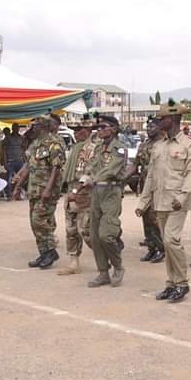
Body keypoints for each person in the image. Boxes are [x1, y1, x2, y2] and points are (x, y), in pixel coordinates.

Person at [135, 99, 191, 302]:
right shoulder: (158, 146)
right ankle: (171, 283)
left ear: (172, 119)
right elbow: (151, 175)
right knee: (166, 242)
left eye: (162, 118)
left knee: (172, 240)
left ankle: (182, 283)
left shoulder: (189, 145)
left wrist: (182, 196)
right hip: (160, 201)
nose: (159, 120)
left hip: (177, 201)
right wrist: (143, 202)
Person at [12, 115, 65, 269]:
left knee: (39, 220)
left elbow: (57, 168)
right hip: (35, 189)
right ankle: (44, 252)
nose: (32, 129)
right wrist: (18, 187)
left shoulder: (54, 144)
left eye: (35, 126)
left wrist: (48, 189)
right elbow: (28, 167)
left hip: (47, 190)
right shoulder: (36, 144)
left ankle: (50, 251)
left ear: (43, 127)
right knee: (34, 222)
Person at [83, 115, 127, 287]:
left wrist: (92, 179)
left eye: (103, 127)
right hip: (96, 192)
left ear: (114, 129)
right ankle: (103, 272)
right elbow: (91, 165)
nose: (99, 130)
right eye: (98, 128)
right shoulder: (99, 148)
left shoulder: (120, 149)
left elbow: (111, 170)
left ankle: (118, 266)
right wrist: (85, 178)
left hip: (111, 192)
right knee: (94, 236)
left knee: (106, 235)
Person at [59, 115, 97, 276]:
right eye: (75, 130)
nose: (76, 133)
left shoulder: (93, 149)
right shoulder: (74, 149)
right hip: (71, 192)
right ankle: (74, 262)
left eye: (80, 130)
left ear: (88, 131)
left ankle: (105, 257)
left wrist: (77, 191)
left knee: (86, 230)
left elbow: (92, 172)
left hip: (85, 193)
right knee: (71, 229)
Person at [124, 116, 165, 263]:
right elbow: (135, 165)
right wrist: (122, 178)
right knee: (146, 217)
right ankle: (151, 247)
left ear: (160, 128)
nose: (148, 129)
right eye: (147, 127)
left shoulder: (165, 144)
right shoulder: (144, 145)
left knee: (156, 219)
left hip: (160, 187)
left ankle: (161, 248)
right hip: (146, 187)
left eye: (152, 126)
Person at [2, 123, 26, 199]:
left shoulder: (21, 138)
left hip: (20, 160)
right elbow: (4, 151)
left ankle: (19, 193)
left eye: (17, 127)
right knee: (10, 178)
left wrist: (25, 160)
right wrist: (5, 162)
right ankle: (9, 194)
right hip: (10, 161)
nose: (16, 129)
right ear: (12, 128)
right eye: (14, 128)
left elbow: (23, 150)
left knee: (21, 178)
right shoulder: (8, 138)